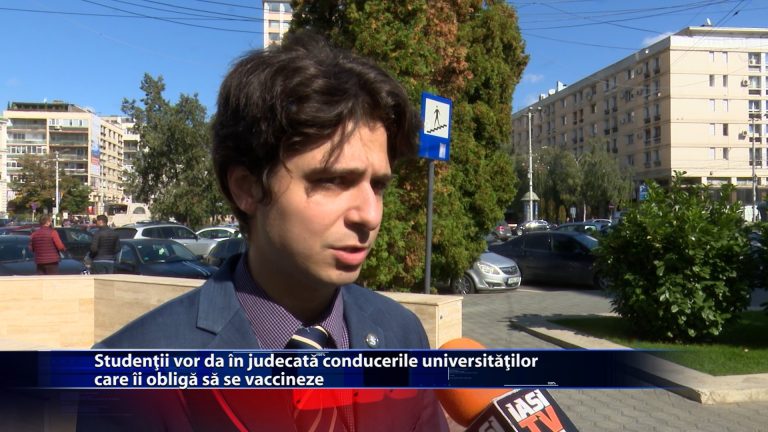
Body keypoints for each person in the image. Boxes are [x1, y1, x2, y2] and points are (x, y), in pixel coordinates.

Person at [78, 31, 448, 431]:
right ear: (247, 188)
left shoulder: (401, 333)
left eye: (377, 185)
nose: (370, 215)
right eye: (333, 181)